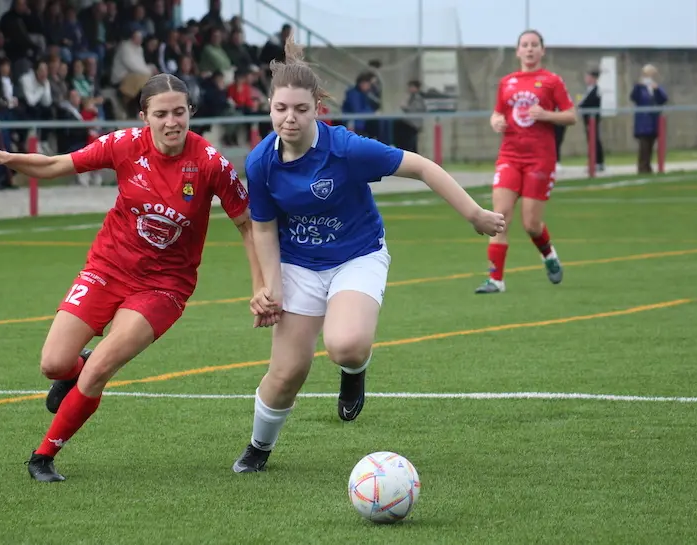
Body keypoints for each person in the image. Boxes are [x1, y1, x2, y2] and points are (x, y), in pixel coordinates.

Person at [0, 74, 265, 482]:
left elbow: (247, 225)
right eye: (161, 114)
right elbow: (56, 164)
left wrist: (261, 287)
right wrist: (3, 157)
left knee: (100, 369)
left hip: (164, 286)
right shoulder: (123, 145)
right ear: (145, 117)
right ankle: (77, 370)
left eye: (179, 112)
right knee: (53, 364)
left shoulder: (210, 163)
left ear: (191, 112)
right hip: (108, 268)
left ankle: (43, 456)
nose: (172, 121)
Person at [230, 36, 506, 473]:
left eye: (301, 109)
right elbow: (262, 228)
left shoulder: (346, 149)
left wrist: (474, 214)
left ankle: (355, 373)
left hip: (357, 255)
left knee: (347, 346)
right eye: (281, 108)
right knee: (287, 373)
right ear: (269, 107)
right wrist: (271, 289)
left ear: (317, 107)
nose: (290, 118)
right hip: (298, 262)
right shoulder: (261, 161)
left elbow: (421, 166)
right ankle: (258, 448)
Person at [475, 29, 576, 295]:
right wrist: (495, 120)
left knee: (531, 223)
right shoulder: (507, 82)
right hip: (510, 156)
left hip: (540, 159)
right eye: (525, 45)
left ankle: (548, 254)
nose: (529, 49)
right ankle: (495, 280)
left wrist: (546, 115)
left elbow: (571, 115)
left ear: (542, 50)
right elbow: (498, 113)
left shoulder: (551, 81)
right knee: (500, 217)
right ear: (517, 51)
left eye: (534, 45)